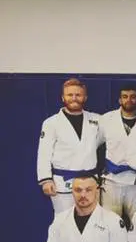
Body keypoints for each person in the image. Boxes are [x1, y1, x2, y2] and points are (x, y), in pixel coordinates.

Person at [37, 78, 103, 213]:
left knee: (92, 220)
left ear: (85, 97)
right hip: (63, 182)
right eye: (70, 95)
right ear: (63, 97)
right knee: (63, 220)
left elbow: (118, 127)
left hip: (90, 180)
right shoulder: (51, 123)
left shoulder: (97, 119)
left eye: (78, 95)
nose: (74, 98)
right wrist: (46, 180)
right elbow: (44, 153)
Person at [99, 84, 136, 223]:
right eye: (125, 97)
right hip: (111, 181)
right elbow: (92, 146)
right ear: (120, 100)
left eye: (133, 97)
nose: (129, 100)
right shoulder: (106, 119)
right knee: (110, 223)